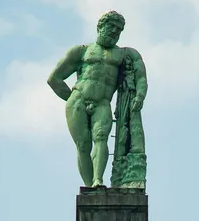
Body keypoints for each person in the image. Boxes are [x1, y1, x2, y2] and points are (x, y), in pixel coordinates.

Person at [48, 12, 147, 188]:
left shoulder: (124, 54)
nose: (115, 31)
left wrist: (140, 95)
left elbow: (140, 77)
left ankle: (97, 180)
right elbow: (54, 79)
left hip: (102, 102)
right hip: (78, 99)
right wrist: (71, 98)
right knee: (83, 144)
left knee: (101, 138)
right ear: (100, 27)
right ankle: (88, 186)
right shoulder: (81, 51)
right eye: (111, 26)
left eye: (119, 29)